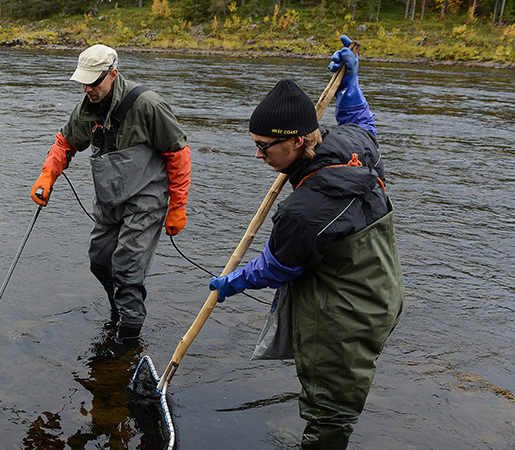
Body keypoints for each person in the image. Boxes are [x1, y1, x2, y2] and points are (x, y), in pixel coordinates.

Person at [208, 35, 404, 449]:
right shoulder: (351, 146)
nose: (258, 156)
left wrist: (235, 281)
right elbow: (361, 124)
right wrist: (352, 85)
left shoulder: (304, 211)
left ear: (297, 141)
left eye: (264, 148)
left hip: (346, 313)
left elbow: (278, 267)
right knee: (334, 393)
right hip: (383, 290)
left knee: (330, 403)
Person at [30, 44, 192, 342]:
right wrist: (47, 176)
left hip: (146, 200)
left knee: (127, 268)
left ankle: (127, 342)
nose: (86, 88)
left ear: (113, 74)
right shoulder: (86, 109)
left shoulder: (148, 105)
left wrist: (178, 207)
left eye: (93, 82)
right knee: (100, 260)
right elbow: (65, 143)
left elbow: (179, 154)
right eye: (83, 81)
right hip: (109, 199)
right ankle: (118, 311)